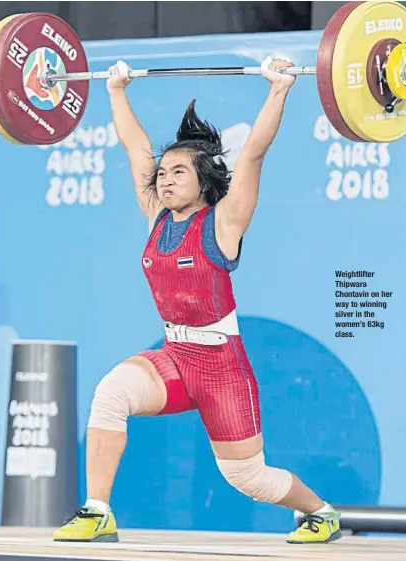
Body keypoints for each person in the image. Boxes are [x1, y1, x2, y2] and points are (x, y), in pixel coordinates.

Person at [53, 57, 342, 545]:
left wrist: (279, 90)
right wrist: (116, 90)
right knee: (110, 394)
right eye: (162, 173)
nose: (164, 180)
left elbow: (250, 156)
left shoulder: (223, 224)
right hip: (174, 357)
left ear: (203, 179)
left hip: (222, 367)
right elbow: (135, 147)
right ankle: (98, 511)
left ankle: (321, 512)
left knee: (247, 477)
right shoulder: (157, 218)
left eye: (177, 172)